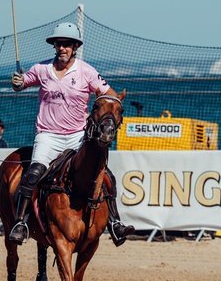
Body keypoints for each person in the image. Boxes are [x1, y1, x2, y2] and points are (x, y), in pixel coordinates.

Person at [8, 22, 135, 247]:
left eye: (67, 44)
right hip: (48, 135)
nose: (62, 48)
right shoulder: (41, 69)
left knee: (106, 176)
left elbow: (109, 95)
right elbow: (22, 83)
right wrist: (17, 82)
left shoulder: (87, 71)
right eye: (59, 44)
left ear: (75, 47)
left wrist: (110, 114)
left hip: (78, 136)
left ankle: (114, 222)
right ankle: (21, 222)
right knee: (33, 174)